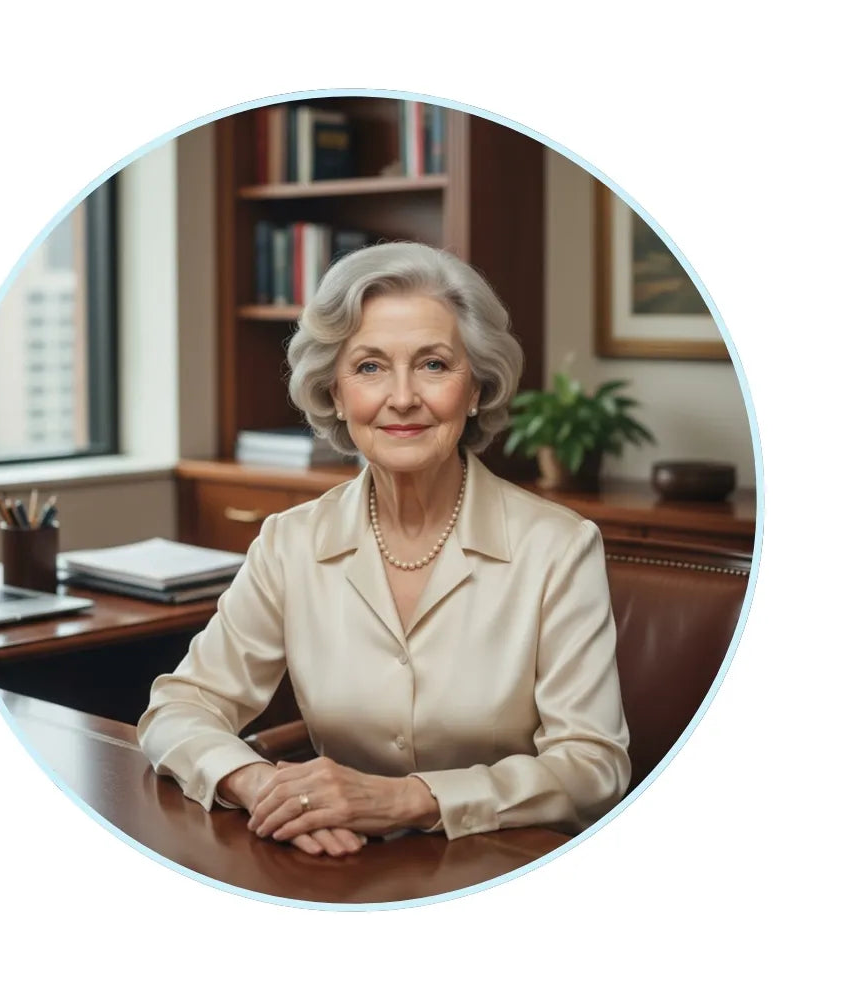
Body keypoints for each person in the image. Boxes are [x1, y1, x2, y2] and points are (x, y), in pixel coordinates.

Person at [138, 242, 630, 858]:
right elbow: (179, 708)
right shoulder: (291, 542)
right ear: (336, 394)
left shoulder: (558, 547)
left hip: (501, 861)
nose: (402, 397)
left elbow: (594, 767)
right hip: (337, 863)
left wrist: (409, 800)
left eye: (433, 365)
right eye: (369, 367)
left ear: (476, 388)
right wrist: (263, 786)